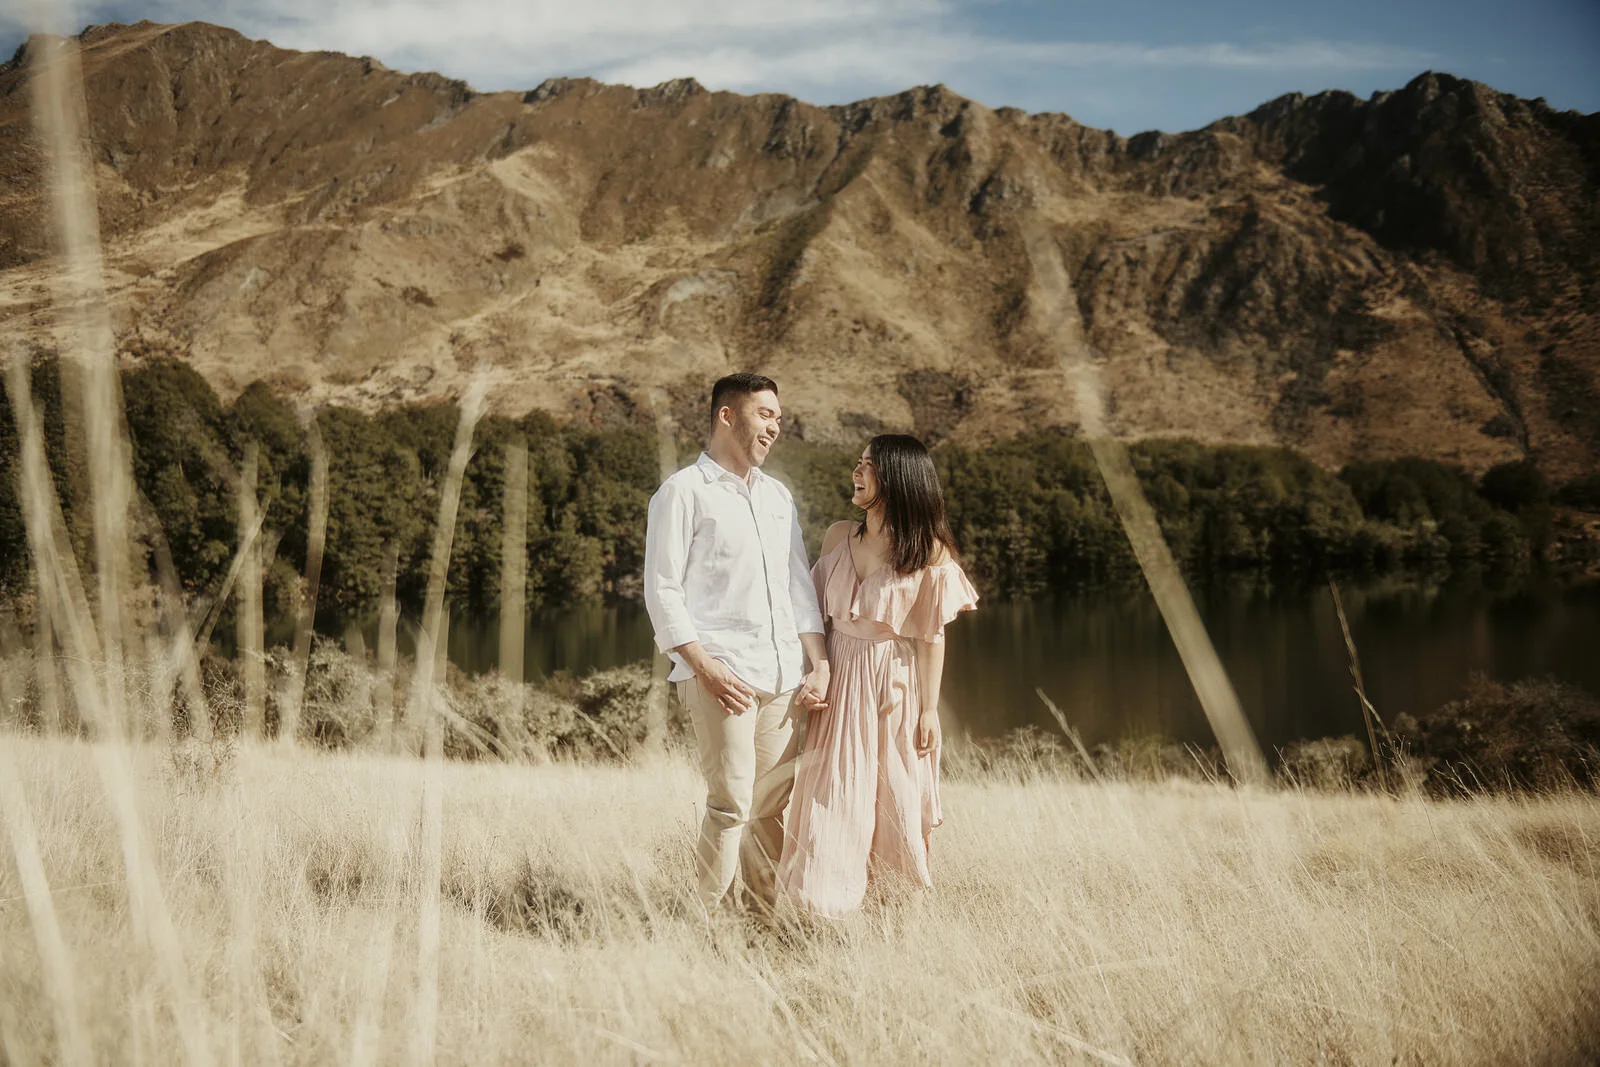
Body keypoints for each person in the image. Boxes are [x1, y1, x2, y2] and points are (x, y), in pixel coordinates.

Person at [643, 373, 830, 916]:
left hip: (783, 677)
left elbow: (799, 585)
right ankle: (695, 930)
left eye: (778, 417)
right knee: (731, 806)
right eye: (765, 414)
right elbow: (662, 589)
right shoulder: (682, 492)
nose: (775, 426)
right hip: (720, 677)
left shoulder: (778, 497)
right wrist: (703, 666)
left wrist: (817, 663)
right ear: (727, 415)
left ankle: (756, 925)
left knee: (771, 808)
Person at [778, 433, 978, 920]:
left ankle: (891, 916)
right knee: (832, 793)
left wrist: (930, 710)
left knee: (894, 796)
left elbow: (932, 637)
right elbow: (811, 617)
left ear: (898, 478)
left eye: (869, 465)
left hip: (893, 686)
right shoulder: (837, 536)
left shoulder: (928, 552)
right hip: (839, 680)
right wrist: (814, 671)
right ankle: (819, 912)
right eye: (858, 462)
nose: (857, 471)